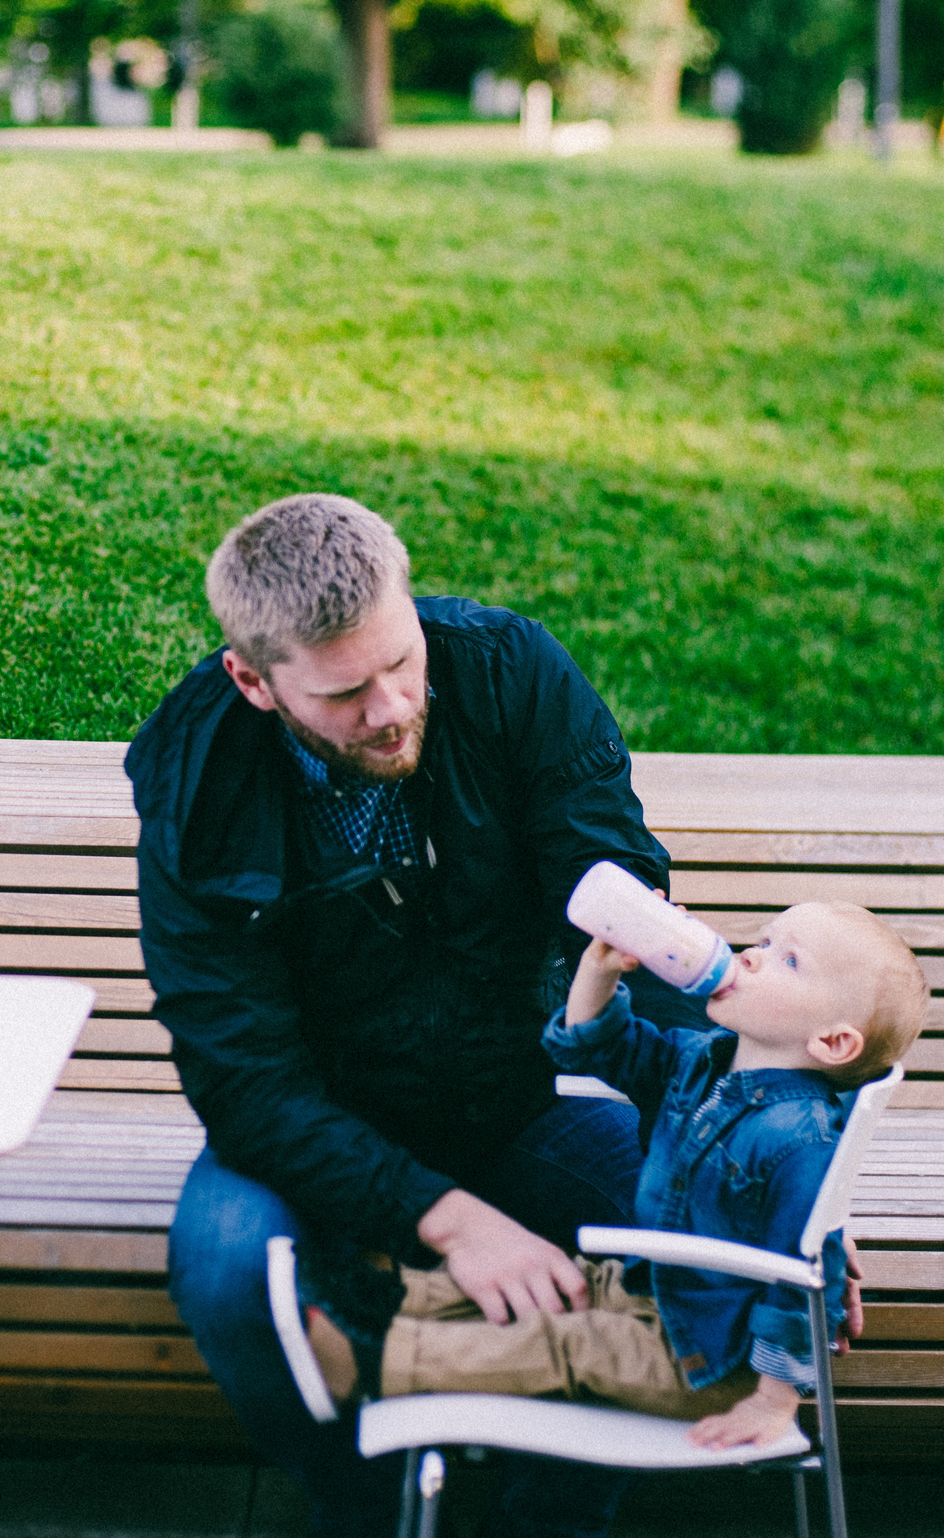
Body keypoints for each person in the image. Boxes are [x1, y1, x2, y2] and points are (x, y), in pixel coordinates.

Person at [128, 493, 716, 1538]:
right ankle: (365, 1509)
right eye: (346, 691)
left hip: (512, 1094)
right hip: (309, 1127)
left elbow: (623, 899)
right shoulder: (196, 782)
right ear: (253, 680)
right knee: (226, 1274)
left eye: (401, 660)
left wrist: (769, 1155)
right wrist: (449, 1217)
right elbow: (242, 1081)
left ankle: (544, 1519)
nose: (393, 705)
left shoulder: (507, 668)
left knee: (716, 1232)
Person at [287, 901, 928, 1451]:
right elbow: (598, 1046)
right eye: (764, 940)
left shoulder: (800, 1141)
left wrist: (774, 1401)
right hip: (657, 1290)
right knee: (573, 1286)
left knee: (574, 1343)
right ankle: (383, 1301)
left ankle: (378, 1360)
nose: (751, 955)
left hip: (708, 1361)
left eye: (788, 961)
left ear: (834, 1044)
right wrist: (598, 970)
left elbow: (808, 1283)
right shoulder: (704, 1062)